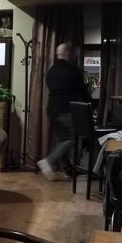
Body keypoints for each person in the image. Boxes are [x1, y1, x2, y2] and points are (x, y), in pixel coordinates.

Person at [37, 42, 90, 181]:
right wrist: (89, 105)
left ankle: (67, 169)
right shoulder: (73, 71)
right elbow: (83, 92)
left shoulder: (51, 71)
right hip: (66, 109)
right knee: (71, 139)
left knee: (62, 140)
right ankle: (48, 161)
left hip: (52, 109)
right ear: (67, 53)